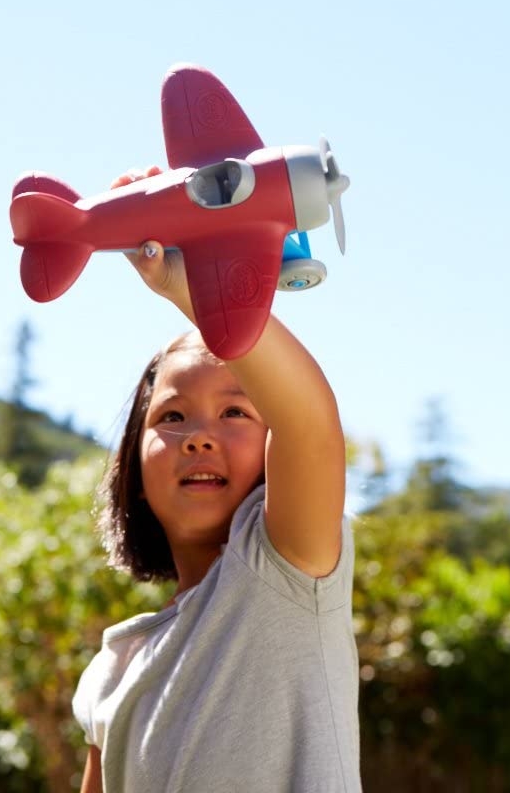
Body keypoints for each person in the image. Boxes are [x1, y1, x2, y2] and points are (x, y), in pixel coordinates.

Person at [73, 167, 361, 793]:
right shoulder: (111, 667)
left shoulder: (284, 570)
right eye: (172, 417)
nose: (199, 436)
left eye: (236, 411)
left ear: (271, 451)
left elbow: (310, 421)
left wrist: (198, 291)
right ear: (134, 464)